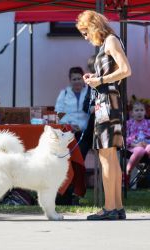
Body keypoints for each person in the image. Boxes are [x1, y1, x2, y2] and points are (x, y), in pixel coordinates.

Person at [76, 10, 131, 220]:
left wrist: (99, 81)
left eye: (85, 32)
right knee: (111, 157)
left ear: (93, 27)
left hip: (107, 105)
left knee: (106, 156)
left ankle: (109, 208)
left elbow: (126, 70)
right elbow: (115, 72)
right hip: (111, 103)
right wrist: (97, 77)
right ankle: (116, 207)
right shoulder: (110, 42)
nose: (85, 37)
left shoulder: (110, 41)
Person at [55, 67, 90, 159]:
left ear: (83, 79)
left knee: (79, 154)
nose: (77, 81)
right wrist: (70, 125)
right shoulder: (64, 93)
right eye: (74, 79)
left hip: (86, 134)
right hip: (68, 132)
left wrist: (81, 127)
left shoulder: (90, 93)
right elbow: (59, 112)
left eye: (79, 78)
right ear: (70, 81)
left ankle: (78, 172)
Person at [126, 101, 150, 182]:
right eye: (136, 110)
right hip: (134, 147)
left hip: (147, 146)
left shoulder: (148, 123)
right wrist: (135, 144)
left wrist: (146, 143)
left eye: (141, 110)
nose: (139, 112)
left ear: (145, 112)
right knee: (140, 150)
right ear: (132, 113)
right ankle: (128, 170)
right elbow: (124, 138)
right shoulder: (128, 124)